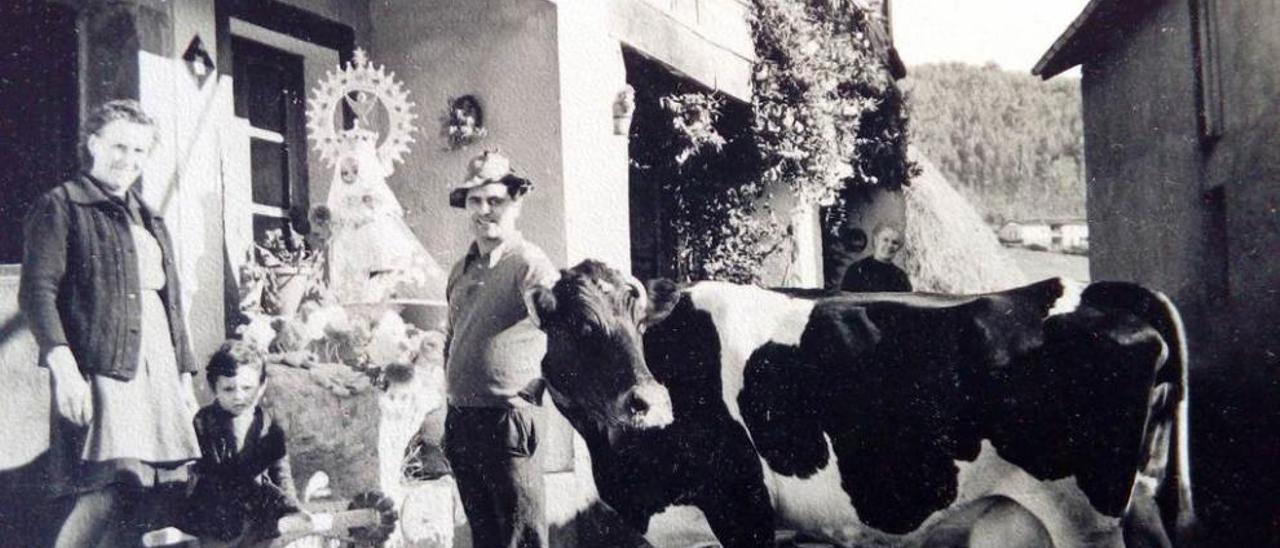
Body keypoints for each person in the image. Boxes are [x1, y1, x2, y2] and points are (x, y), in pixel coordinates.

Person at [19, 99, 202, 547]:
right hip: (103, 369)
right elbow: (37, 293)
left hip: (156, 370)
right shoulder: (62, 205)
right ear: (94, 144)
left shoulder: (149, 215)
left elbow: (171, 303)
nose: (129, 161)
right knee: (102, 491)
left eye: (139, 152)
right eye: (119, 147)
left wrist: (184, 381)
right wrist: (66, 372)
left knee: (139, 499)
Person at [442, 151, 557, 548]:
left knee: (520, 537)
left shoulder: (531, 264)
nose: (484, 210)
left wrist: (537, 388)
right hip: (463, 421)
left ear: (516, 203)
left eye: (495, 201)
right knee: (485, 536)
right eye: (475, 201)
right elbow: (452, 336)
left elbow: (560, 329)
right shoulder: (461, 269)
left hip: (508, 421)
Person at [182, 340, 301, 544]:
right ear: (214, 388)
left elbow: (280, 470)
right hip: (217, 516)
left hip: (260, 514)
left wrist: (291, 508)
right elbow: (209, 470)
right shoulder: (205, 421)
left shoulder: (269, 423)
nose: (239, 396)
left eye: (247, 388)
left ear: (261, 386)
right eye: (229, 389)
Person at [840, 222, 913, 292]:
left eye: (895, 242)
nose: (889, 245)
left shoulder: (900, 276)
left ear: (899, 247)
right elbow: (846, 302)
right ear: (876, 240)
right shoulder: (857, 269)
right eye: (885, 240)